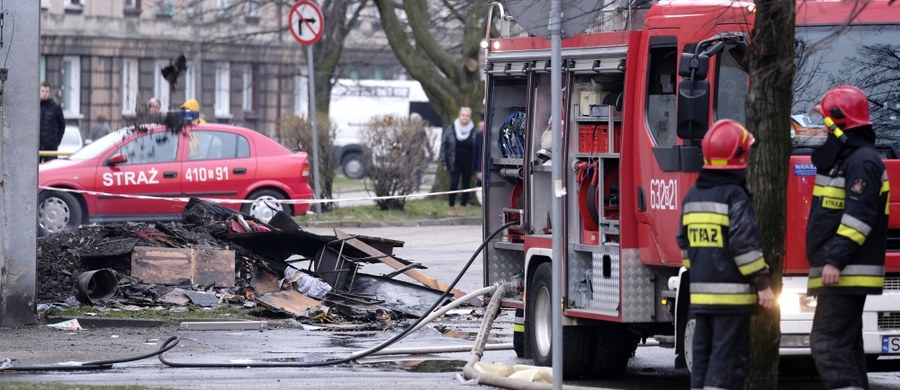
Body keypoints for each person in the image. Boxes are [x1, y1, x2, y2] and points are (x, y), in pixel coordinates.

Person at [675, 119, 775, 390]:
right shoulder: (735, 195)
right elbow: (744, 245)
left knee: (702, 359)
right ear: (739, 156)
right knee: (727, 363)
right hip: (732, 298)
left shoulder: (693, 195)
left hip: (699, 296)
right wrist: (763, 284)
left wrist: (701, 271)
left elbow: (683, 243)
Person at [806, 85, 889, 390]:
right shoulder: (848, 158)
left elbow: (858, 218)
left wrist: (835, 260)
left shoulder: (861, 162)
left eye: (825, 123)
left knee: (828, 345)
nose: (820, 130)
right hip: (841, 270)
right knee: (847, 347)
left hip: (844, 271)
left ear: (839, 125)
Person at [439, 106, 478, 216]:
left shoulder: (474, 132)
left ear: (470, 118)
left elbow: (478, 148)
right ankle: (451, 206)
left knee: (466, 185)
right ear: (459, 116)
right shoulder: (451, 129)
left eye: (467, 116)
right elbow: (444, 145)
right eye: (463, 115)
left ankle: (463, 207)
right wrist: (443, 161)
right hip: (454, 162)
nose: (465, 117)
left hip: (469, 163)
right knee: (454, 183)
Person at [39, 81, 66, 162]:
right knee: (35, 172)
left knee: (51, 172)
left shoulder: (56, 108)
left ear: (50, 93)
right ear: (39, 92)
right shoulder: (35, 107)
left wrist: (57, 141)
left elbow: (62, 125)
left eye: (46, 91)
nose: (44, 93)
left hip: (51, 147)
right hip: (36, 147)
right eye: (42, 91)